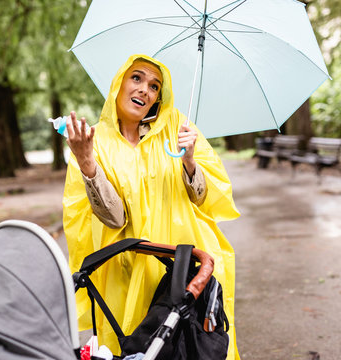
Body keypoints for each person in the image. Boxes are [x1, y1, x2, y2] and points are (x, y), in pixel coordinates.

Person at [63, 54, 240, 358]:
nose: (145, 89)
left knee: (186, 343)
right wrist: (87, 162)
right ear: (119, 83)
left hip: (181, 263)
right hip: (126, 266)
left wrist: (188, 159)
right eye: (137, 78)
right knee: (135, 343)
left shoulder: (177, 128)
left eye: (155, 85)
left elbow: (204, 197)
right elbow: (114, 218)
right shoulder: (95, 141)